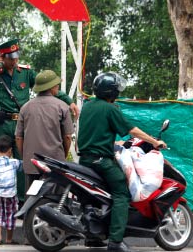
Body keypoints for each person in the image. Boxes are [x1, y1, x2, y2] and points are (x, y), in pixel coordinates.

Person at [0, 39, 79, 204]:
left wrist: (69, 101)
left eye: (16, 57)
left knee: (25, 164)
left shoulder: (25, 72)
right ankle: (2, 201)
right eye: (10, 58)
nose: (15, 61)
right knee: (2, 163)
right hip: (2, 124)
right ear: (2, 57)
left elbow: (47, 86)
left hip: (22, 124)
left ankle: (23, 202)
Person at [77, 72, 166, 252]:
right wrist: (155, 142)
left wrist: (115, 142)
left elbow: (98, 131)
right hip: (101, 161)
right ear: (111, 92)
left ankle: (93, 238)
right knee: (121, 194)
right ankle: (115, 241)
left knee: (96, 196)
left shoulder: (87, 105)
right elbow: (132, 130)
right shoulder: (110, 109)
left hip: (85, 160)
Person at [15, 70, 74, 194]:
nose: (58, 87)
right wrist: (62, 156)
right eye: (56, 84)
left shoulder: (25, 108)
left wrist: (25, 156)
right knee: (56, 199)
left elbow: (19, 138)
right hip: (55, 164)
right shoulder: (62, 106)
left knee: (32, 197)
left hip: (32, 164)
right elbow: (68, 137)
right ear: (52, 87)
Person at [0, 135, 23, 245]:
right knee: (10, 216)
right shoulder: (14, 162)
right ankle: (9, 239)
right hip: (11, 195)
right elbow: (24, 165)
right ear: (11, 150)